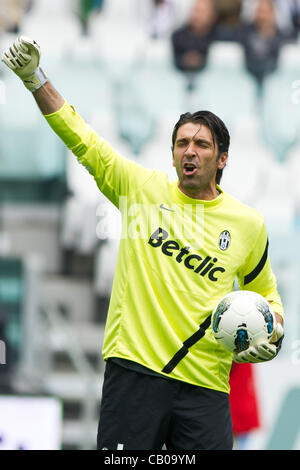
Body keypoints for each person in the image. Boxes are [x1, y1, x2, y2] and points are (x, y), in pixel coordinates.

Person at [1, 36, 284, 451]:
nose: (190, 151)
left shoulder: (247, 225)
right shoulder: (140, 190)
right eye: (182, 143)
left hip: (204, 386)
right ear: (172, 155)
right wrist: (34, 78)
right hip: (134, 375)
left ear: (222, 158)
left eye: (201, 144)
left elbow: (268, 299)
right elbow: (81, 138)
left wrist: (272, 334)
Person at [238, 0, 294, 93]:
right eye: (259, 11)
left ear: (273, 14)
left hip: (276, 84)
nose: (261, 16)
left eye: (265, 12)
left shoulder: (283, 37)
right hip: (249, 79)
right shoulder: (244, 35)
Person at [171, 0, 217, 89]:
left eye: (201, 11)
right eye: (195, 10)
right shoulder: (179, 36)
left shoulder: (218, 36)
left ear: (212, 15)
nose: (196, 15)